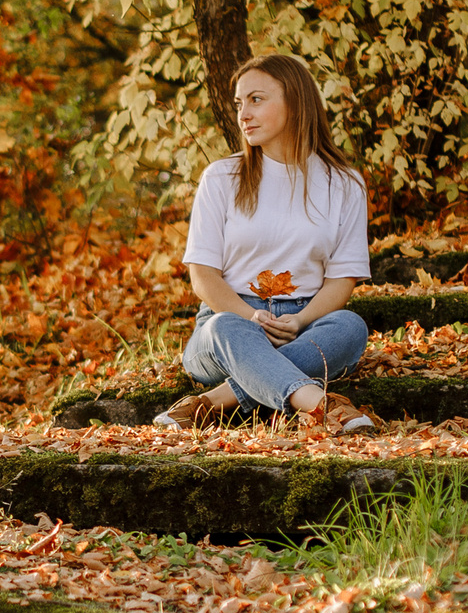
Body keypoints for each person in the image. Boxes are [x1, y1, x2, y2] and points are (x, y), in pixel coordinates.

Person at [157, 53, 383, 434]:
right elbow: (203, 277)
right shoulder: (221, 178)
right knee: (224, 328)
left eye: (256, 99)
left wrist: (299, 320)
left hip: (306, 323)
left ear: (295, 102)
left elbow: (342, 281)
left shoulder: (344, 184)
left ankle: (214, 402)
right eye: (239, 103)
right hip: (228, 324)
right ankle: (321, 404)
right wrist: (251, 317)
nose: (243, 113)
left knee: (350, 326)